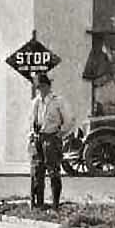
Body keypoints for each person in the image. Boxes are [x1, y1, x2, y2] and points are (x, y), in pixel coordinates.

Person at [29, 73, 73, 209]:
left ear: (48, 86)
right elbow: (32, 121)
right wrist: (31, 135)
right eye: (38, 87)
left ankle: (55, 204)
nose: (40, 90)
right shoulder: (35, 102)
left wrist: (60, 134)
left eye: (42, 86)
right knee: (37, 171)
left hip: (52, 138)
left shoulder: (58, 101)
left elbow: (69, 120)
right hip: (38, 138)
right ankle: (39, 204)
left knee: (53, 171)